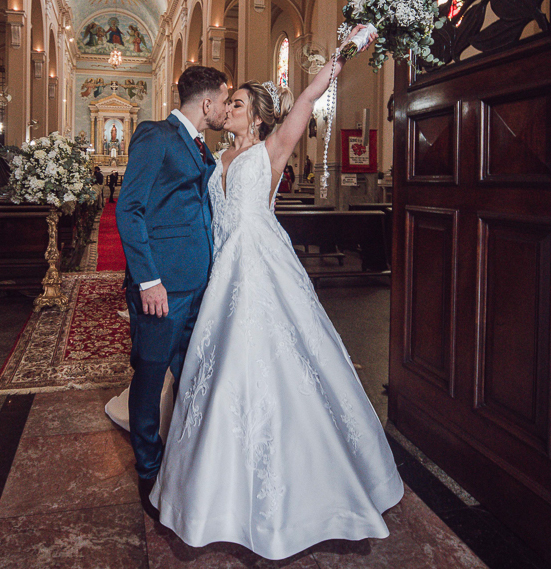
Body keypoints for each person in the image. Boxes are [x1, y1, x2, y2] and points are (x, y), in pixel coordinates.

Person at [148, 50, 403, 560]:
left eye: (237, 103)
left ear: (258, 115)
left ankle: (309, 492)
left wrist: (341, 55)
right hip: (223, 271)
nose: (229, 109)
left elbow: (307, 99)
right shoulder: (213, 159)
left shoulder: (272, 149)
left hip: (262, 267)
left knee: (278, 366)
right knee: (220, 376)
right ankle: (216, 493)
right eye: (229, 103)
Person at [114, 65, 230, 514]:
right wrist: (149, 280)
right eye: (223, 99)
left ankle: (185, 459)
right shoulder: (156, 135)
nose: (224, 108)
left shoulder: (200, 146)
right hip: (162, 288)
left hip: (198, 285)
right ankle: (148, 469)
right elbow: (130, 208)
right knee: (150, 373)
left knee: (191, 372)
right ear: (207, 103)